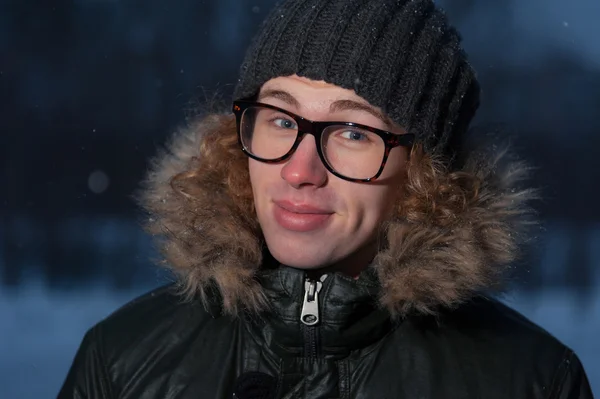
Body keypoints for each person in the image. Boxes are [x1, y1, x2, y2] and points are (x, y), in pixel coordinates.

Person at [58, 0, 594, 398]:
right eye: (282, 119)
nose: (298, 170)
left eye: (354, 132)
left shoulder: (532, 381)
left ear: (425, 174)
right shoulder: (122, 362)